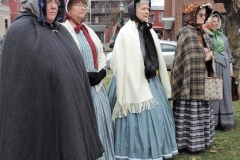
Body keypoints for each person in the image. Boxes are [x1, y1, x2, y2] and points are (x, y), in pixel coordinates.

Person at [0, 0, 104, 159]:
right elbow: (21, 86)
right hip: (39, 122)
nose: (54, 6)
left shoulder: (59, 30)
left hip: (67, 115)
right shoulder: (20, 31)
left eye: (57, 1)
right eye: (49, 1)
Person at [107, 0, 178, 159]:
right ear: (134, 10)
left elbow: (155, 55)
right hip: (129, 80)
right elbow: (116, 61)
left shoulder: (150, 31)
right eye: (143, 8)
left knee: (157, 115)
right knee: (130, 118)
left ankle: (155, 149)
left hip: (150, 79)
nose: (147, 11)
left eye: (148, 9)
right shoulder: (125, 32)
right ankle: (131, 151)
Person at [61, 0, 115, 159]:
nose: (83, 8)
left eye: (85, 5)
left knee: (100, 123)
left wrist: (102, 72)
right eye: (78, 4)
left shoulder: (88, 30)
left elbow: (100, 53)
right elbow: (65, 59)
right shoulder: (63, 30)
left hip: (96, 88)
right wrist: (84, 75)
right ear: (68, 9)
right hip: (78, 87)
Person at [170, 3, 215, 152]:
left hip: (202, 80)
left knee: (201, 111)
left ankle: (202, 142)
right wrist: (205, 59)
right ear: (192, 15)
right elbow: (185, 58)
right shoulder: (186, 33)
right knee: (188, 112)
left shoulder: (206, 33)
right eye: (200, 14)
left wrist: (209, 59)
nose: (203, 17)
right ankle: (184, 143)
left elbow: (208, 55)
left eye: (205, 15)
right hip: (188, 82)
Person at [205, 11, 234, 129]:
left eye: (217, 21)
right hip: (214, 65)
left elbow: (228, 52)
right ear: (210, 23)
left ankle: (226, 121)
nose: (216, 23)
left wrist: (230, 66)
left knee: (226, 90)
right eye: (213, 21)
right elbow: (206, 50)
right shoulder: (207, 36)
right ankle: (214, 120)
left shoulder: (223, 37)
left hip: (225, 65)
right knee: (215, 91)